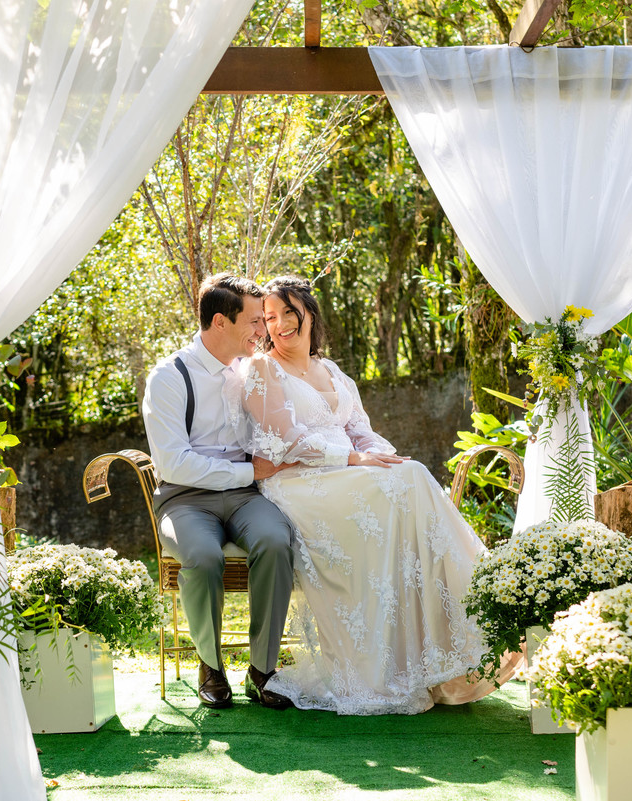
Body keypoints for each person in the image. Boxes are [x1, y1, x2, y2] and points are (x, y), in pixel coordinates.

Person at [225, 275, 520, 715]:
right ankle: (456, 629)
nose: (280, 324)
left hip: (346, 473)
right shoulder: (262, 369)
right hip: (298, 482)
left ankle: (451, 646)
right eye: (269, 317)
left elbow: (361, 430)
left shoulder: (333, 371)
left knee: (410, 474)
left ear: (309, 313)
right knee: (411, 481)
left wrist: (381, 456)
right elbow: (287, 440)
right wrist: (353, 459)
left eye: (288, 312)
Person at [141, 273, 297, 710]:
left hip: (247, 497)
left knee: (275, 540)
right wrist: (248, 471)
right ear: (219, 322)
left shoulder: (251, 369)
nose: (263, 330)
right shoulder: (169, 377)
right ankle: (210, 666)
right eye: (253, 321)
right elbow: (173, 463)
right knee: (204, 556)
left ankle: (263, 669)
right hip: (185, 498)